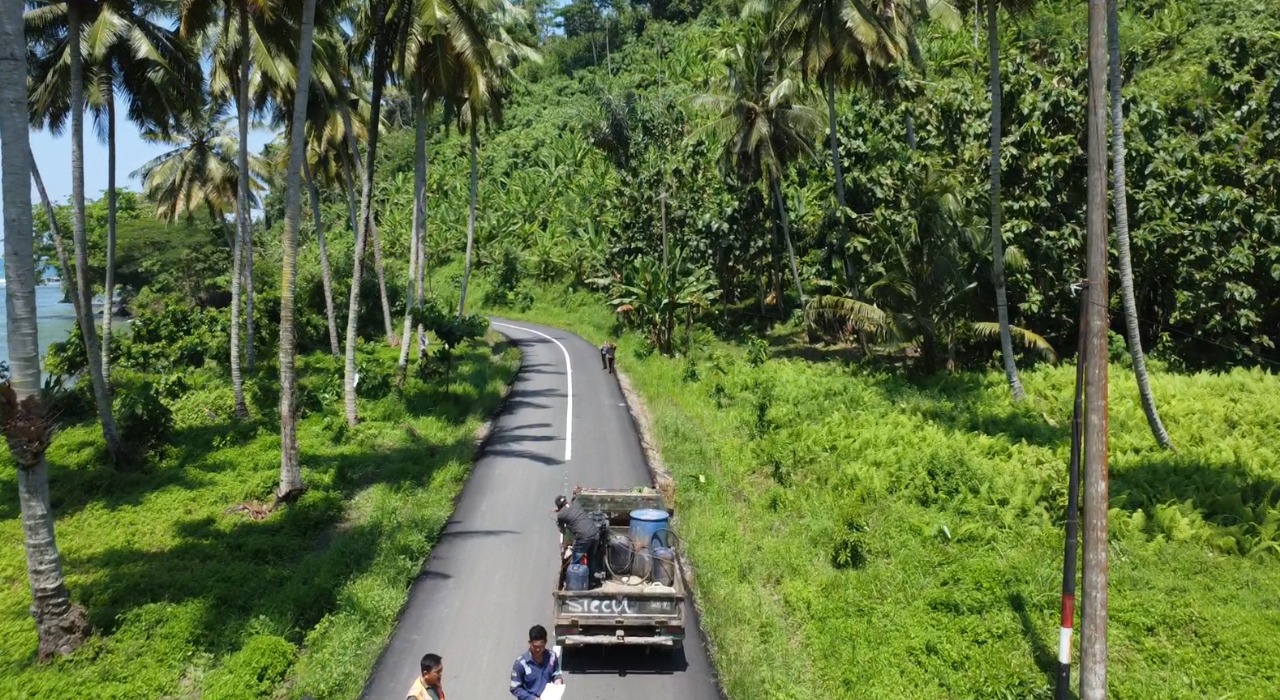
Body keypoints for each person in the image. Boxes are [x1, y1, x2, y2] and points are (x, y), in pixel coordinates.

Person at [555, 494, 601, 582]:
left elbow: (562, 529)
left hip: (583, 537)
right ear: (566, 501)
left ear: (558, 507)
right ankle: (591, 580)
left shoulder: (561, 515)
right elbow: (571, 511)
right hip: (595, 532)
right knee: (592, 557)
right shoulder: (575, 505)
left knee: (576, 560)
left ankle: (576, 582)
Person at [509, 625, 563, 700]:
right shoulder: (520, 664)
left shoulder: (552, 657)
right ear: (529, 643)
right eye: (535, 646)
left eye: (541, 646)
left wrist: (558, 680)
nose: (537, 649)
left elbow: (556, 673)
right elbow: (515, 688)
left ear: (545, 642)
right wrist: (532, 698)